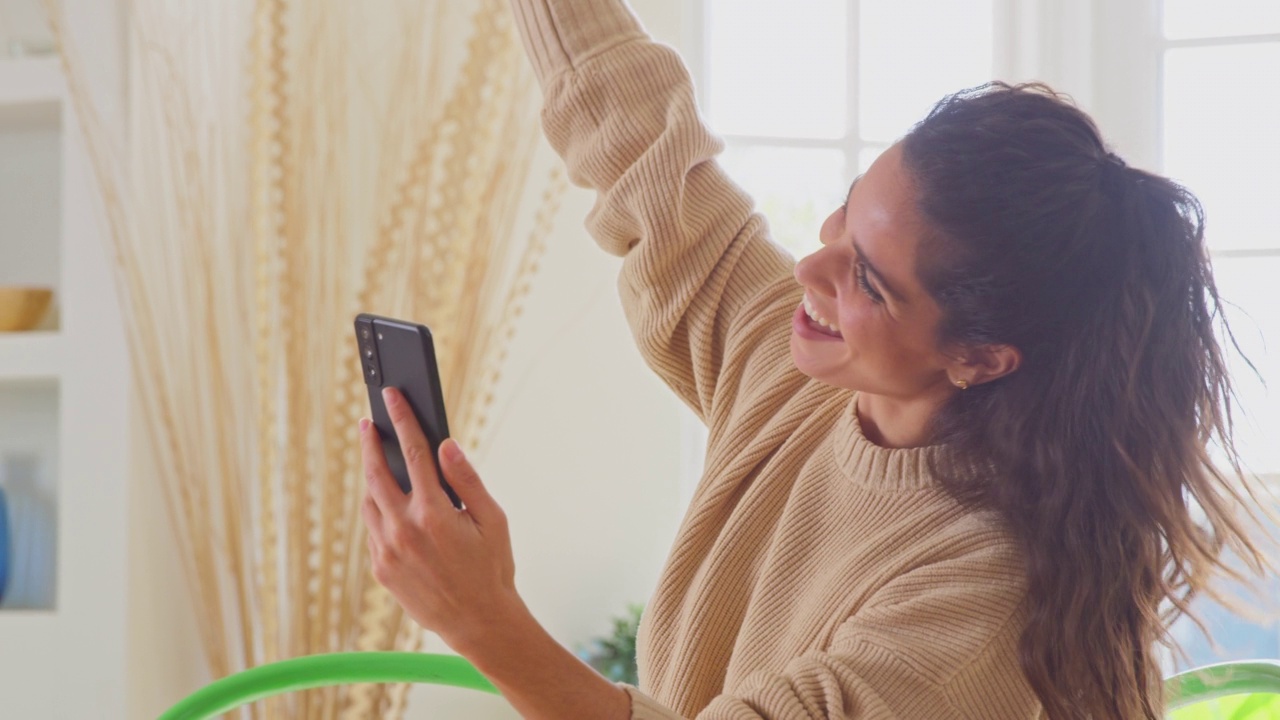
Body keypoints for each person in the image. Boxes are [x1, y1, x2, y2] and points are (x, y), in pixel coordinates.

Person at [357, 0, 1280, 718]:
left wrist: (485, 622)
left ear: (982, 357)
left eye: (869, 281)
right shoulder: (794, 374)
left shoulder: (986, 593)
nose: (811, 265)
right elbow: (643, 151)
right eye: (843, 214)